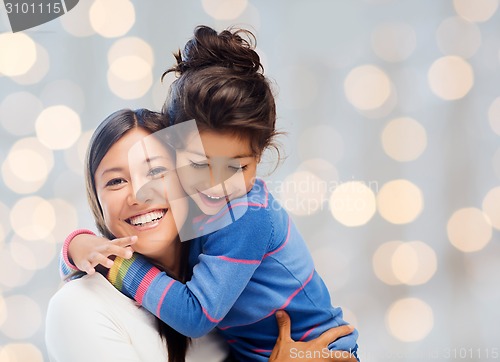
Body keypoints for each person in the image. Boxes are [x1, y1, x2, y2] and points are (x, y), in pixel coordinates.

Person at [61, 26, 359, 361]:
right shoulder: (188, 209)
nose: (216, 185)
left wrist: (115, 265)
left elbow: (194, 316)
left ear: (259, 158)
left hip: (318, 353)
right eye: (200, 165)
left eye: (236, 168)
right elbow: (91, 259)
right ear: (172, 150)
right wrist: (79, 246)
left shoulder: (249, 217)